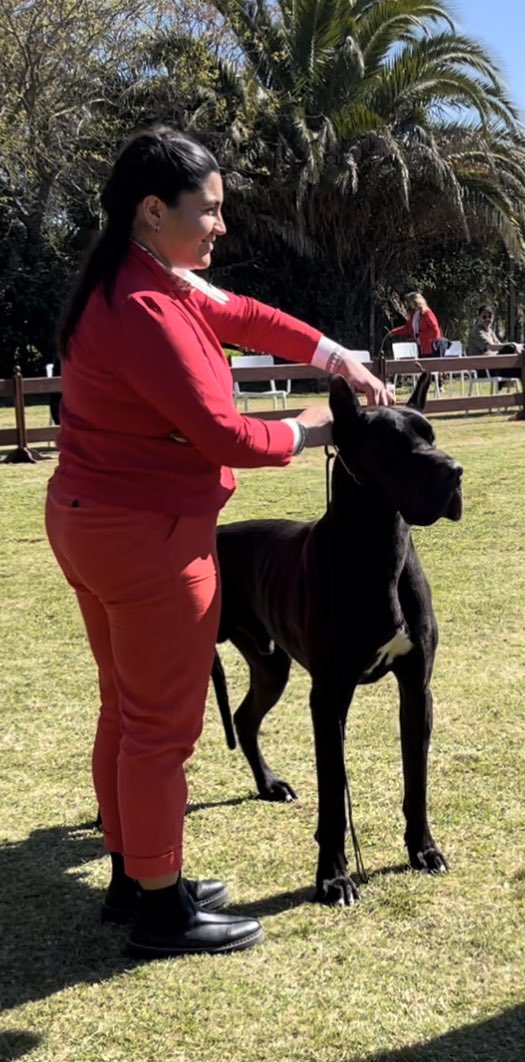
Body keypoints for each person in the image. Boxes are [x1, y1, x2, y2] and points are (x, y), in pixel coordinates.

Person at [44, 126, 391, 960]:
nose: (221, 228)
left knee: (127, 712)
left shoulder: (137, 278)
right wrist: (312, 428)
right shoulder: (145, 308)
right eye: (209, 210)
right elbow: (222, 434)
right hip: (151, 538)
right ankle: (161, 910)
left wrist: (332, 355)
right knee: (161, 730)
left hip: (92, 520)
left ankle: (137, 878)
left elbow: (241, 312)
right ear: (154, 209)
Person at [388, 290, 443, 356]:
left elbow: (435, 330)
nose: (409, 304)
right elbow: (408, 328)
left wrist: (421, 335)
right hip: (420, 346)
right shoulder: (413, 314)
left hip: (430, 348)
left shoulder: (426, 313)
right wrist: (394, 332)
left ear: (416, 301)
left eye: (410, 302)